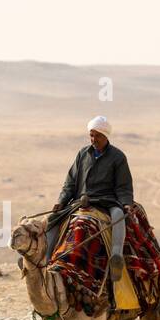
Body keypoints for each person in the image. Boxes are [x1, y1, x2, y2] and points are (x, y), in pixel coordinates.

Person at [47, 115, 134, 280]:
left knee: (119, 216)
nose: (94, 139)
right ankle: (45, 259)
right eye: (91, 135)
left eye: (98, 136)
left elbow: (124, 187)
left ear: (106, 136)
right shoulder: (82, 154)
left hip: (107, 202)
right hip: (81, 201)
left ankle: (116, 257)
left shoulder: (118, 157)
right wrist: (61, 201)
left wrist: (126, 204)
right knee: (53, 219)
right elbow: (70, 182)